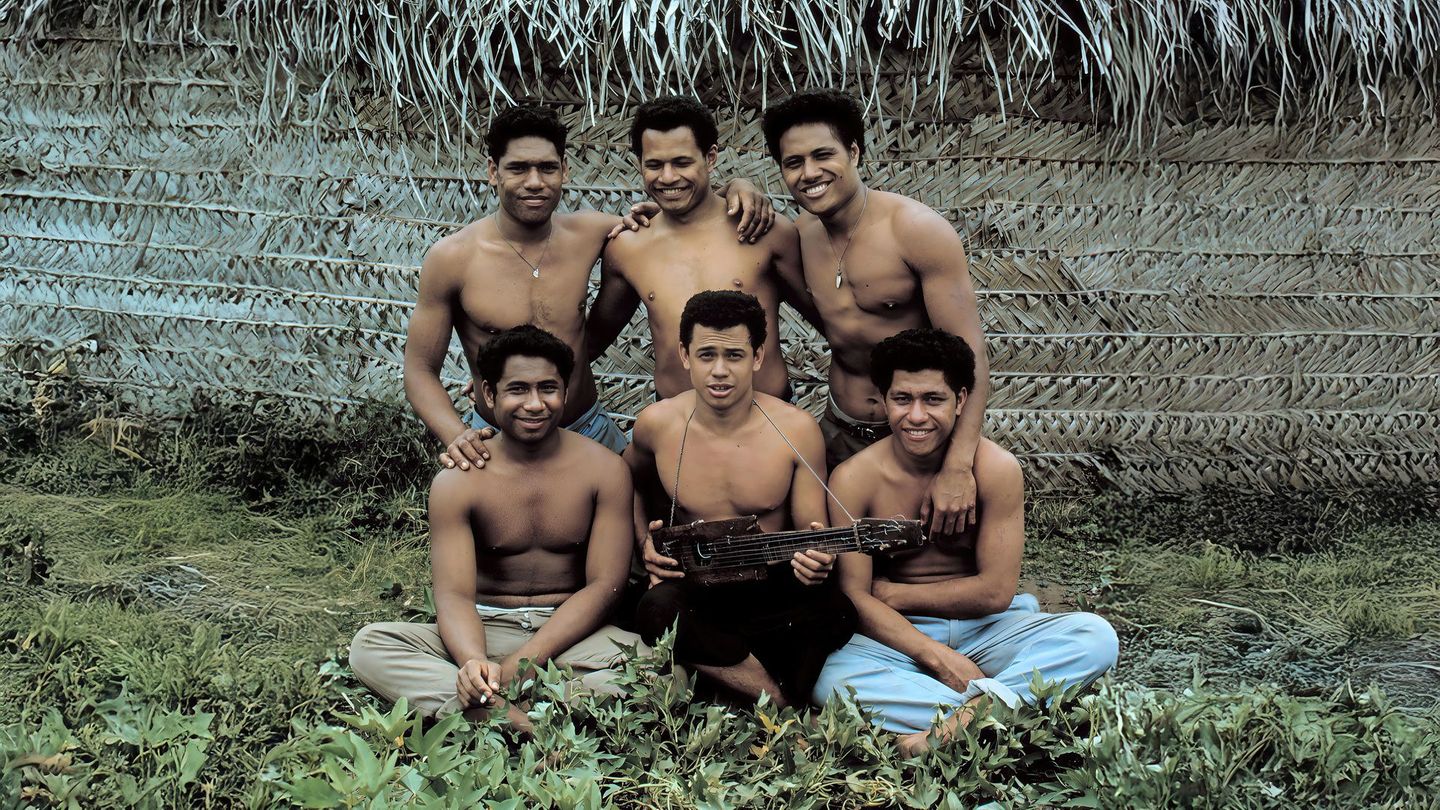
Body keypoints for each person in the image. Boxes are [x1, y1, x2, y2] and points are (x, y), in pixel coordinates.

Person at [405, 103, 775, 470]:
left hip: (588, 428)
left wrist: (737, 187)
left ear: (565, 170)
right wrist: (457, 434)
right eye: (518, 168)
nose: (534, 182)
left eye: (547, 168)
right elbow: (419, 369)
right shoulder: (453, 258)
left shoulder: (594, 232)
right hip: (498, 439)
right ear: (492, 171)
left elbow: (686, 210)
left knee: (631, 500)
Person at [812, 329, 1118, 754]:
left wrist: (892, 593)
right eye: (902, 399)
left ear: (960, 401)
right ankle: (1003, 711)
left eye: (932, 399)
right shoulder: (853, 478)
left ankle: (952, 725)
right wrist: (936, 657)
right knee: (827, 676)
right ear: (883, 400)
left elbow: (995, 593)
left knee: (1095, 636)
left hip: (990, 629)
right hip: (901, 636)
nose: (916, 416)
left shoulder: (997, 469)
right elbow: (855, 598)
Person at [352, 326, 646, 728]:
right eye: (518, 390)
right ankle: (525, 712)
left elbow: (605, 586)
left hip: (567, 634)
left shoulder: (606, 470)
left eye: (548, 388)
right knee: (370, 645)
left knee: (659, 668)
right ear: (489, 394)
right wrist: (473, 662)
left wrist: (520, 665)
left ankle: (485, 709)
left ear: (565, 391)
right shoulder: (459, 479)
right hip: (484, 627)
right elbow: (454, 595)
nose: (534, 404)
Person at [761, 89, 991, 538]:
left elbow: (971, 357)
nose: (809, 173)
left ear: (853, 152)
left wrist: (958, 465)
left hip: (916, 432)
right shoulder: (798, 238)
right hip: (839, 428)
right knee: (833, 560)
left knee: (919, 556)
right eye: (793, 162)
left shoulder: (915, 231)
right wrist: (734, 190)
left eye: (823, 155)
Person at [625, 291, 856, 707]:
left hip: (771, 587)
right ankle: (779, 700)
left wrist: (816, 561)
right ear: (685, 355)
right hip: (695, 585)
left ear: (757, 356)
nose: (719, 371)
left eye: (734, 355)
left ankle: (728, 679)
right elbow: (625, 483)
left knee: (837, 609)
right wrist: (645, 542)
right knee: (655, 608)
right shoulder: (658, 424)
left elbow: (811, 530)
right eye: (706, 355)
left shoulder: (795, 429)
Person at [587, 96, 817, 401]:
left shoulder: (763, 231)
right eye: (654, 165)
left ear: (710, 158)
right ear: (639, 163)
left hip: (768, 416)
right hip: (678, 419)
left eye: (682, 162)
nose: (668, 177)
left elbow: (828, 318)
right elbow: (593, 340)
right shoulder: (628, 247)